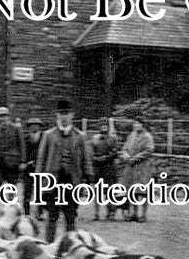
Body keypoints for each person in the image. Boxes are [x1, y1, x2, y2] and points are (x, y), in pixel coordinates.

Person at [35, 99, 93, 242]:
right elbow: (41, 160)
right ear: (57, 116)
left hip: (72, 181)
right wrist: (39, 180)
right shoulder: (48, 135)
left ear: (72, 115)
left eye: (67, 113)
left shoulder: (80, 136)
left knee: (71, 215)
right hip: (53, 182)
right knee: (52, 215)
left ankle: (71, 246)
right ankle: (49, 244)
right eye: (61, 114)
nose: (64, 117)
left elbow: (86, 158)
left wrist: (89, 176)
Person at [119, 119, 156, 222]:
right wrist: (126, 156)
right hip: (131, 167)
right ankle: (134, 213)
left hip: (143, 167)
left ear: (142, 125)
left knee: (144, 192)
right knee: (132, 191)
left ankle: (143, 215)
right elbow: (124, 148)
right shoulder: (131, 136)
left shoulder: (148, 136)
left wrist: (135, 158)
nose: (136, 126)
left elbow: (149, 150)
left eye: (138, 124)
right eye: (135, 124)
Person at [87, 130, 121, 221]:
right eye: (102, 125)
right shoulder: (94, 139)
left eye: (105, 125)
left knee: (109, 191)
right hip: (98, 168)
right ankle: (96, 213)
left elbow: (115, 152)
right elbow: (90, 152)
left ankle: (110, 212)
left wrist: (105, 158)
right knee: (97, 191)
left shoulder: (112, 139)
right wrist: (96, 158)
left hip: (109, 168)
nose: (104, 128)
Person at [22, 117, 45, 217]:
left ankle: (39, 213)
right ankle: (26, 212)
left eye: (36, 126)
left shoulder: (45, 138)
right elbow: (23, 152)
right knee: (27, 192)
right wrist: (27, 162)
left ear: (40, 127)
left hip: (41, 168)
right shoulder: (25, 139)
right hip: (28, 169)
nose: (34, 128)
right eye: (31, 126)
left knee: (40, 192)